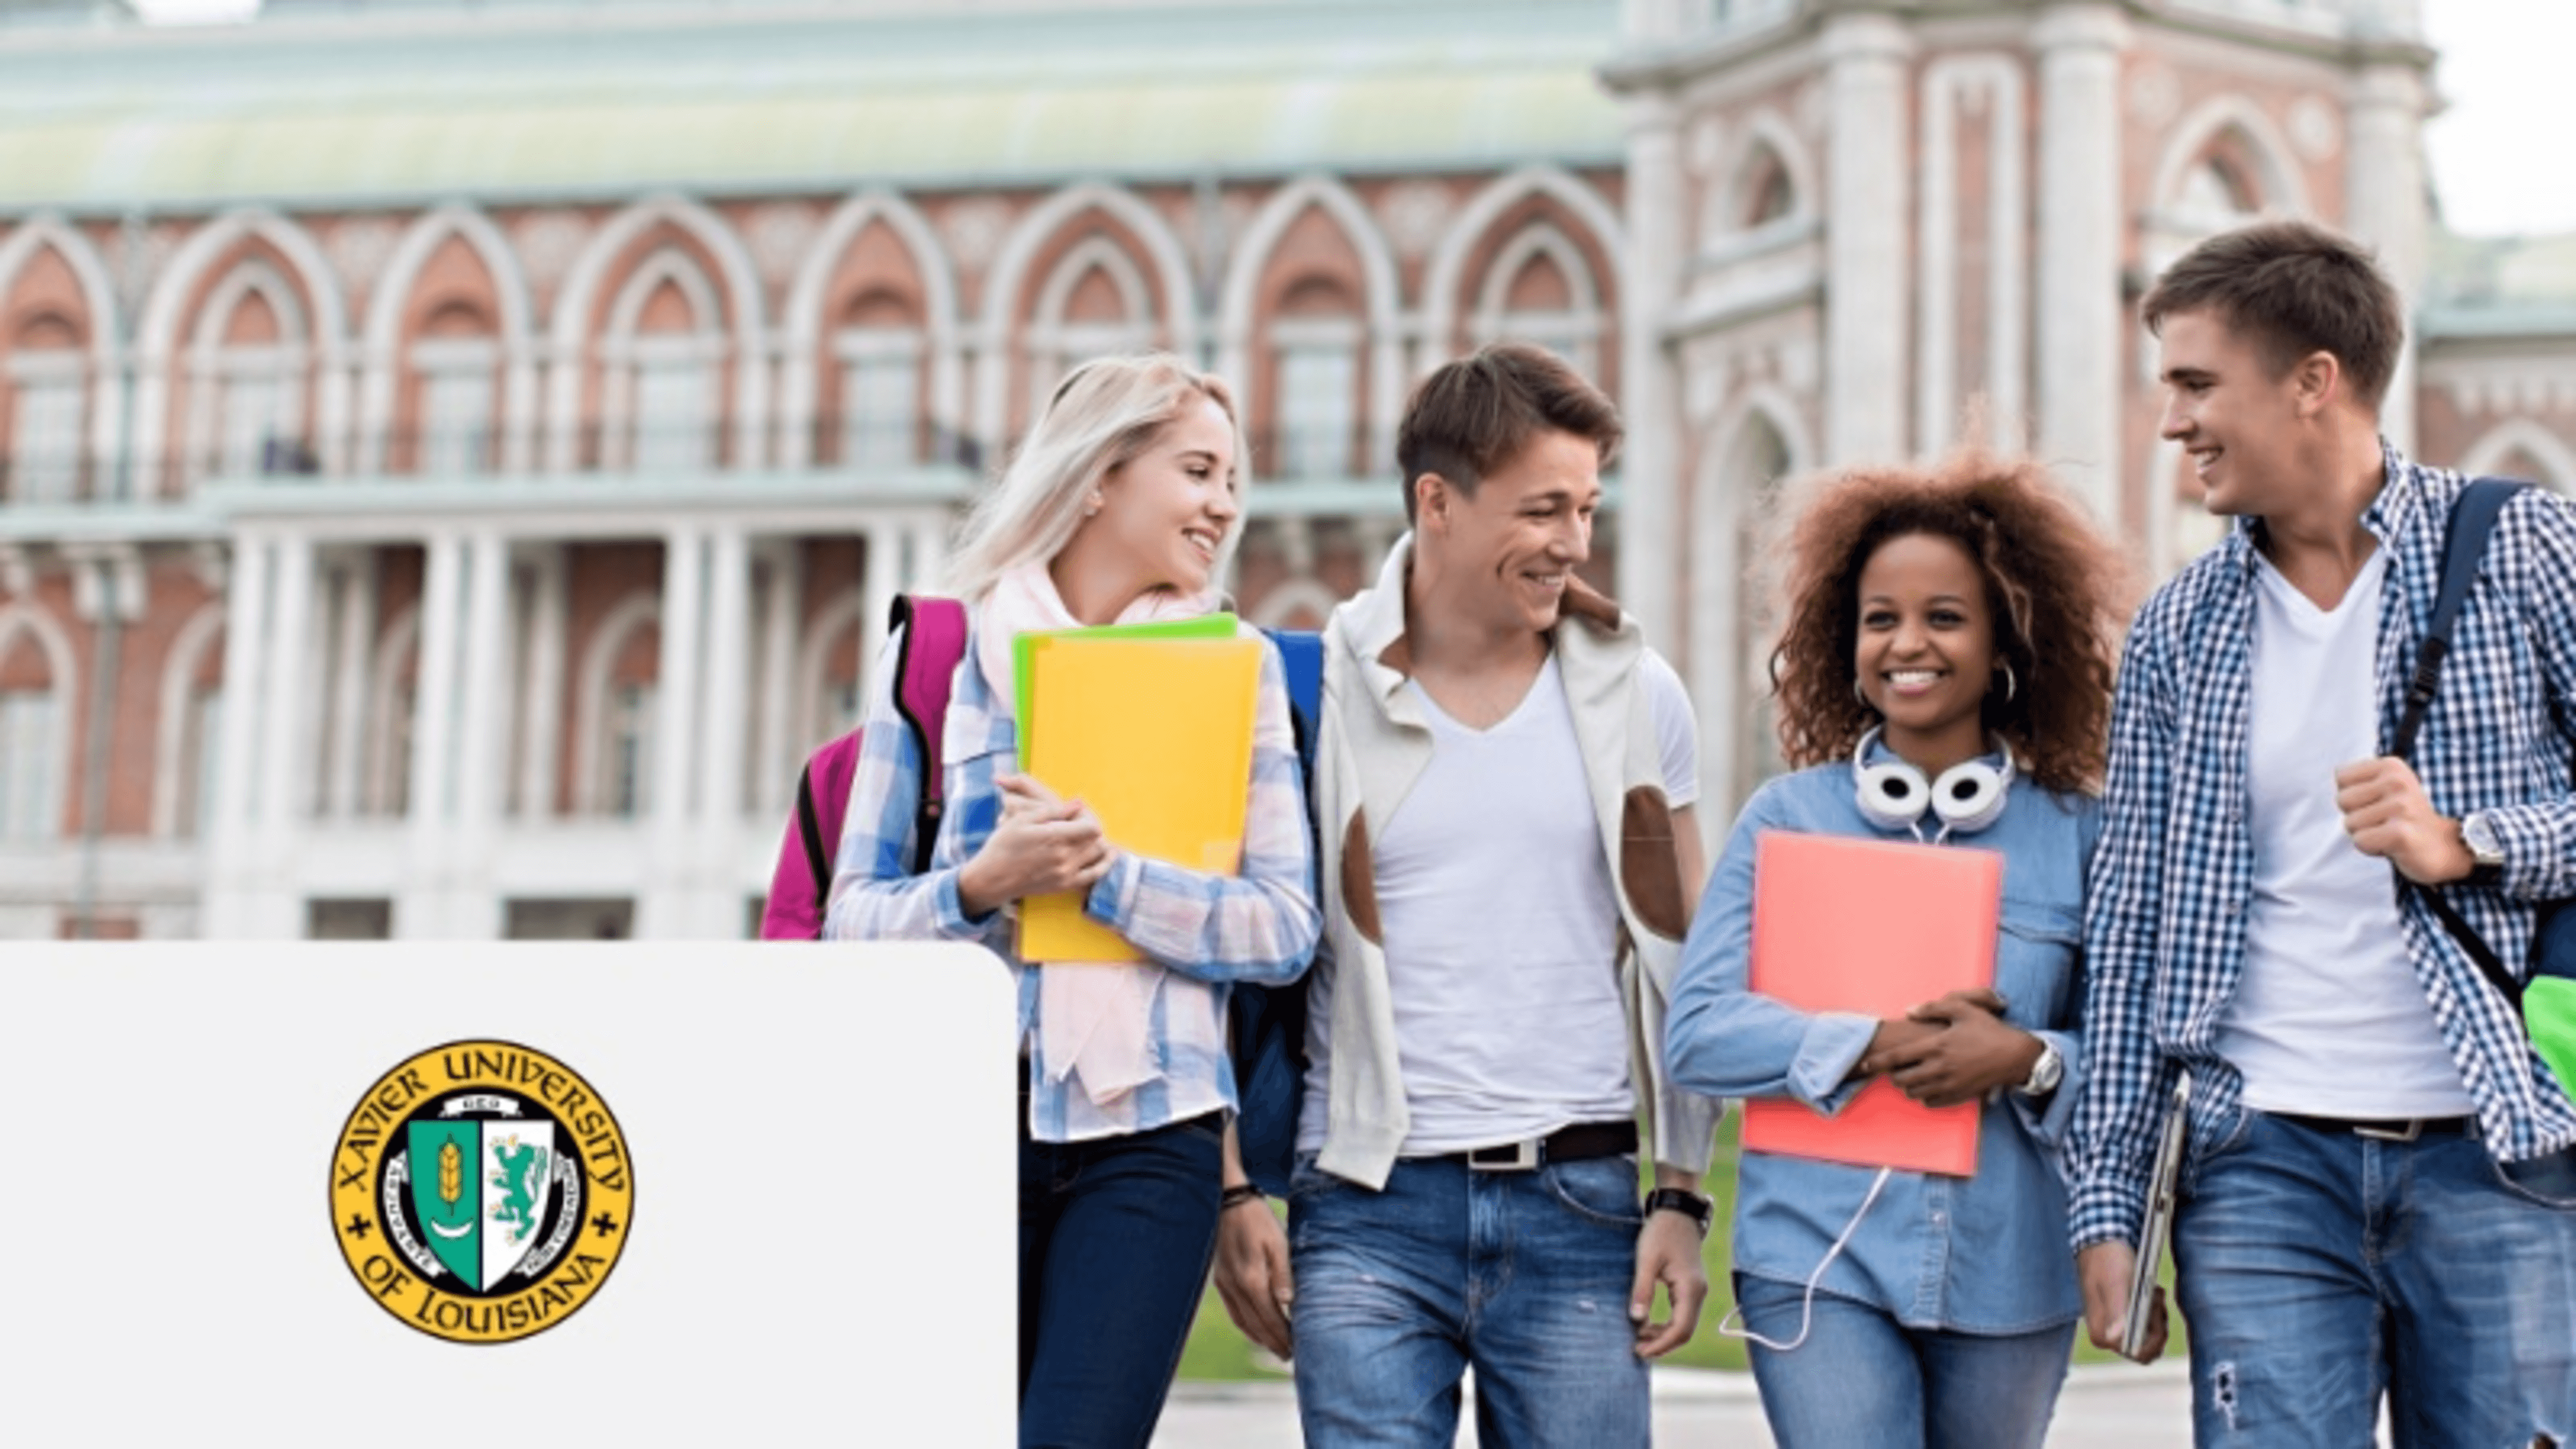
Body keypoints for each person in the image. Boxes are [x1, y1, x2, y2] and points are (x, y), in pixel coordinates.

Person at [2065, 218, 2576, 1445]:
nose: (2173, 422)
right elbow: (2130, 924)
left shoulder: (2521, 546)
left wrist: (2472, 840)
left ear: (2314, 381)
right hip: (2260, 1162)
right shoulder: (2181, 628)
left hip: (2499, 1150)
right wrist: (2108, 1201)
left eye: (2197, 384)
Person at [1209, 342, 1719, 1448]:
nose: (1574, 544)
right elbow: (1219, 955)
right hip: (1368, 1210)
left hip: (1581, 1201)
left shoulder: (1638, 691)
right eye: (1542, 510)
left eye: (1586, 508)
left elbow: (1691, 959)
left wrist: (1680, 1192)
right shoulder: (1310, 687)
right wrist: (1231, 1187)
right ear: (1437, 502)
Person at [822, 354, 1321, 1449]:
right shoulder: (941, 661)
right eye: (1197, 470)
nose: (1224, 505)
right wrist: (979, 886)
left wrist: (1113, 882)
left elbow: (1285, 929)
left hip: (1152, 1139)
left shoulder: (1238, 673)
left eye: (1233, 478)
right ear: (1100, 476)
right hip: (961, 1127)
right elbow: (848, 921)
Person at [1662, 452, 2125, 1448]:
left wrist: (2029, 1059)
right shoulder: (1784, 818)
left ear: (2005, 638)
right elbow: (1696, 1035)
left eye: (1944, 617)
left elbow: (2133, 1055)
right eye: (1882, 618)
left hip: (2010, 1268)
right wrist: (1868, 1041)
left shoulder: (2080, 833)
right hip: (1815, 1258)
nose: (1907, 644)